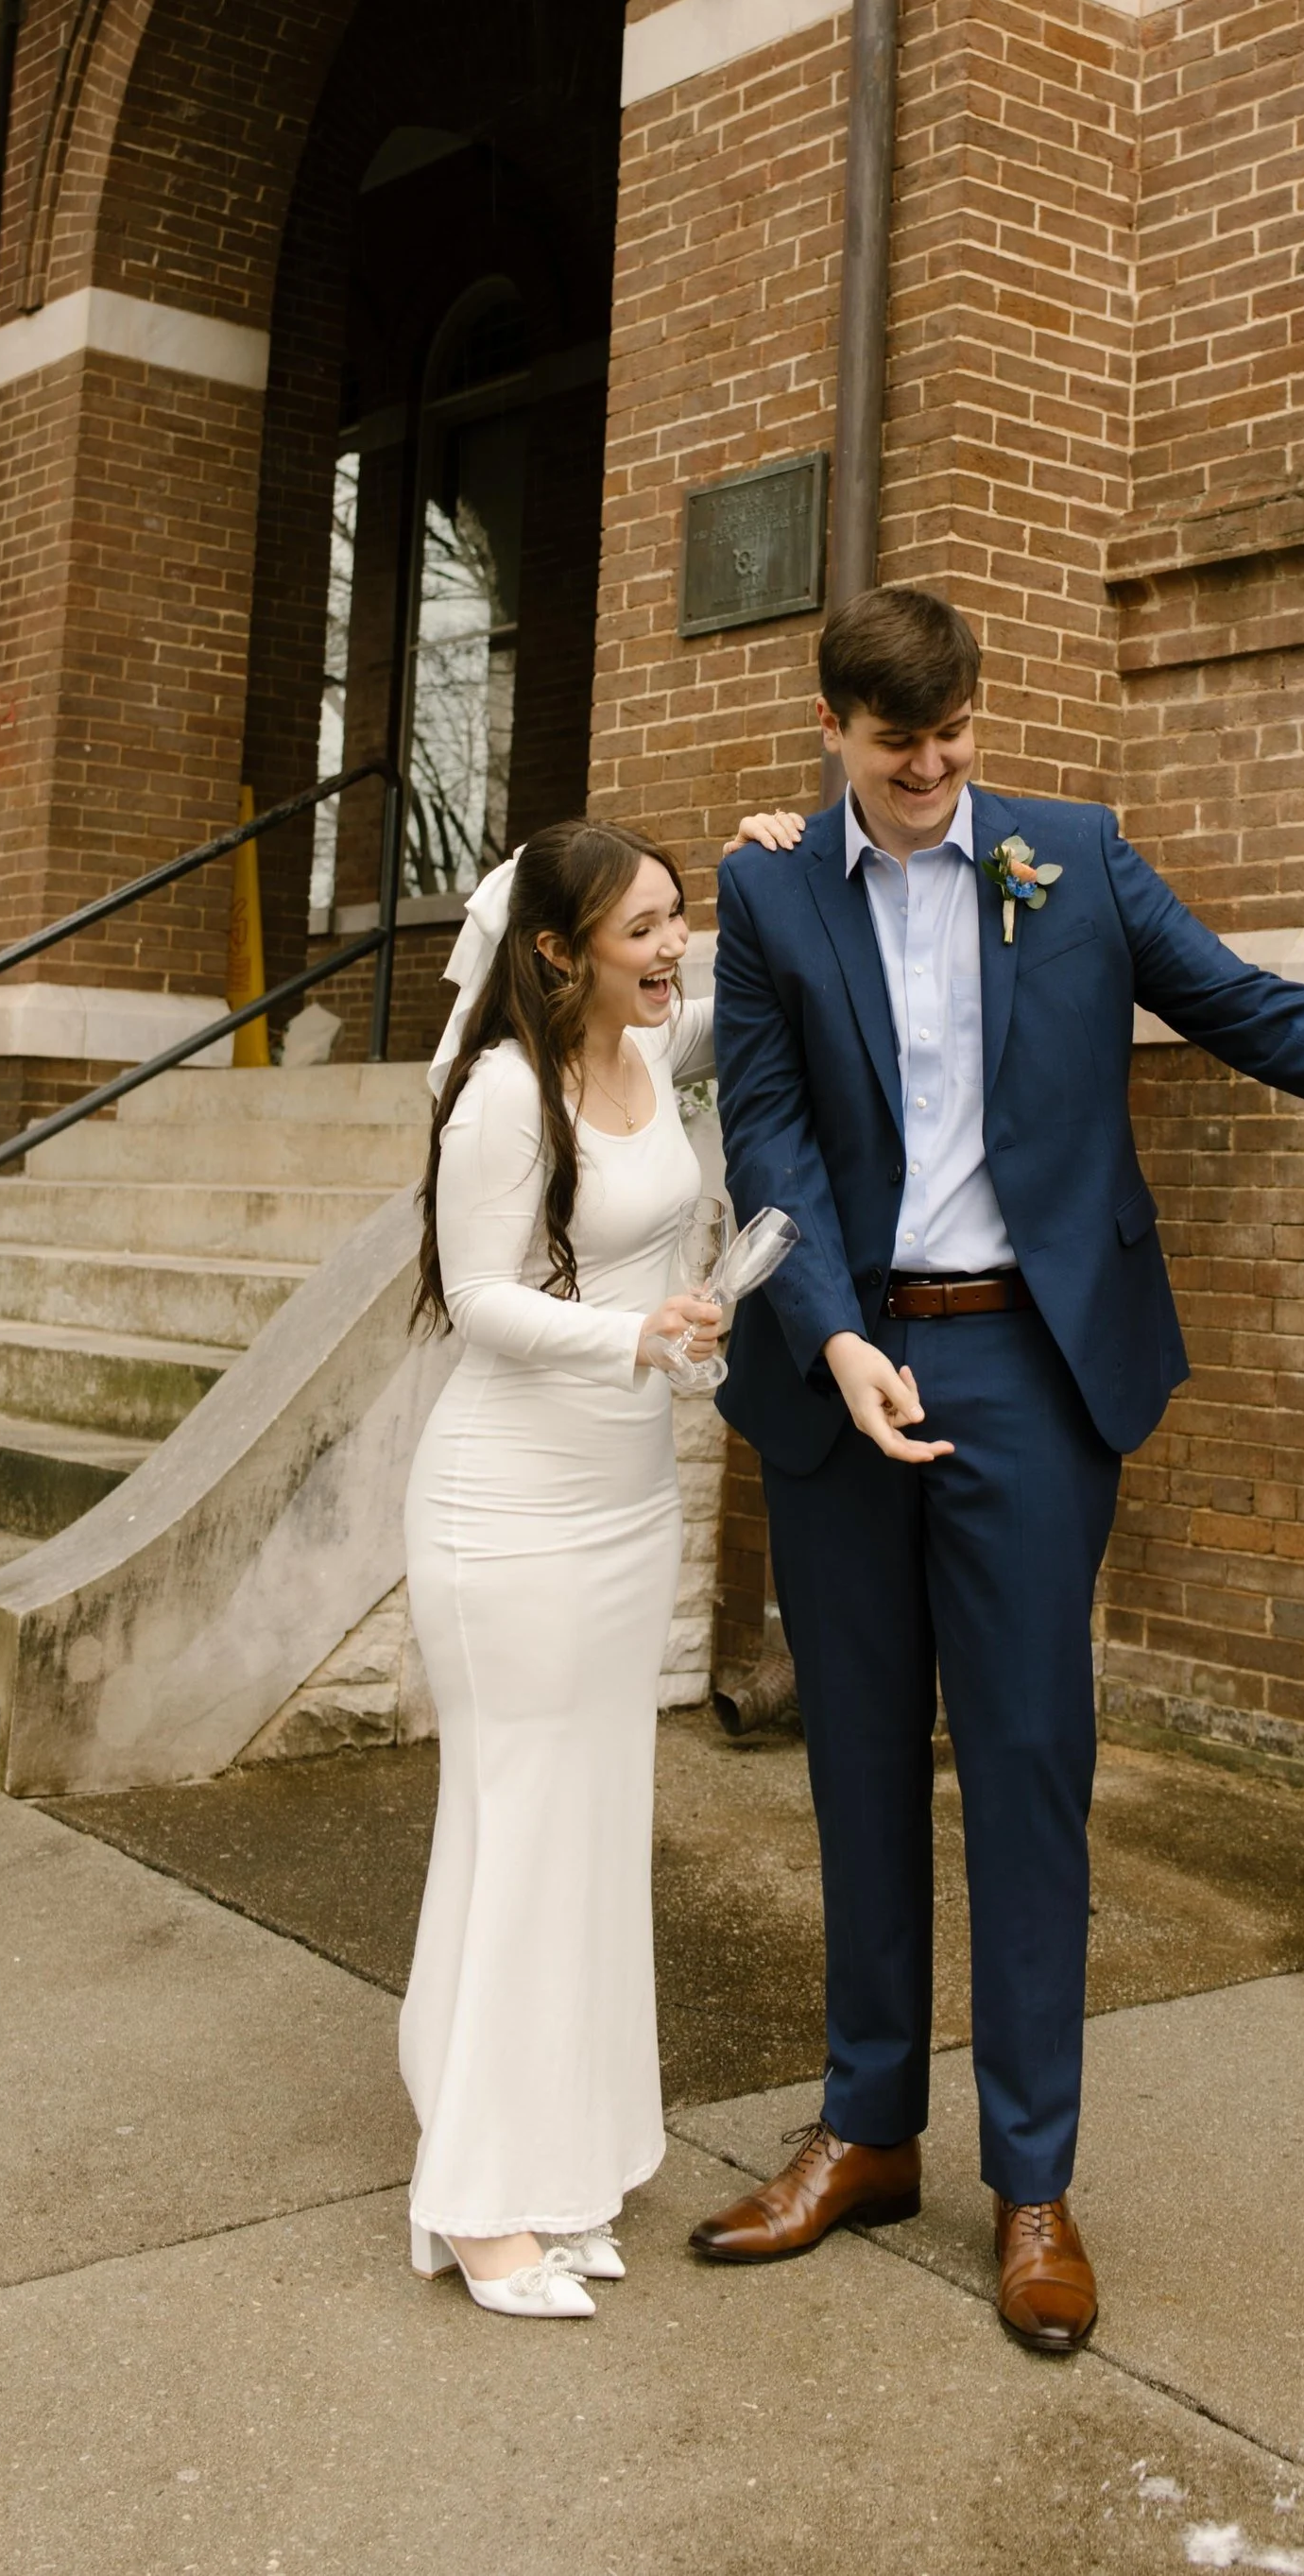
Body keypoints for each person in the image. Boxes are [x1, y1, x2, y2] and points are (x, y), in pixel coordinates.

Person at [696, 585, 1304, 2352]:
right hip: (844, 1355)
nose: (933, 770)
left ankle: (1034, 2185)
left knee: (1025, 1765)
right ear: (832, 732)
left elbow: (1242, 1003)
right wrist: (835, 1335)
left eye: (954, 738)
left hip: (1028, 1358)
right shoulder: (772, 888)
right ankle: (865, 2130)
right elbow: (764, 1126)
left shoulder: (1072, 859)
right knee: (857, 1759)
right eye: (896, 746)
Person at [400, 811, 795, 2317]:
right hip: (506, 1510)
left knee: (576, 1832)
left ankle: (545, 2141)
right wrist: (629, 1333)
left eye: (678, 917)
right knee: (518, 1828)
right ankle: (485, 2200)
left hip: (627, 1501)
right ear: (556, 950)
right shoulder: (503, 1092)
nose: (671, 947)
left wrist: (770, 856)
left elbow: (753, 978)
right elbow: (483, 1299)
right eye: (643, 928)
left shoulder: (655, 1045)